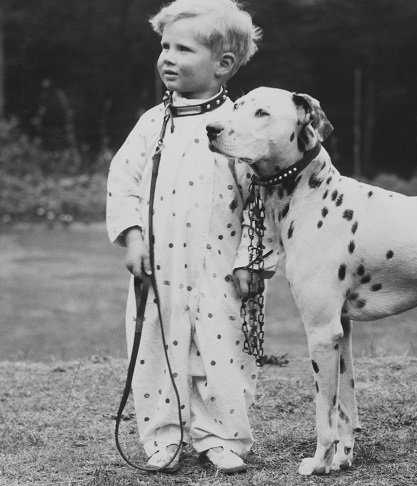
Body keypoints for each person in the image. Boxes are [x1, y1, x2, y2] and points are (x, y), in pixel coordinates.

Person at [106, 0, 277, 474]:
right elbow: (123, 181)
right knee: (153, 351)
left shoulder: (239, 126)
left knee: (223, 353)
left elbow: (260, 201)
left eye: (183, 49)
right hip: (158, 267)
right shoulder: (151, 123)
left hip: (221, 266)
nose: (167, 57)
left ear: (223, 64)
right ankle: (163, 438)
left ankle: (222, 438)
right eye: (165, 46)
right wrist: (132, 237)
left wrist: (252, 260)